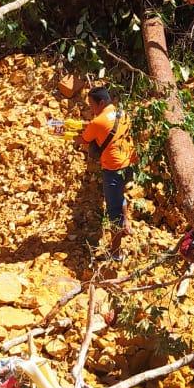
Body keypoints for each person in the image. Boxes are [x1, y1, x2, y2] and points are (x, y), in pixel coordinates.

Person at [75, 86, 136, 260]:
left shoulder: (98, 122)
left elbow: (84, 139)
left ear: (101, 103)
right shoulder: (123, 114)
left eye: (92, 105)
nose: (91, 109)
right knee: (120, 195)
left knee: (113, 211)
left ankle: (116, 253)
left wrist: (63, 133)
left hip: (113, 170)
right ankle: (126, 221)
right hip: (128, 164)